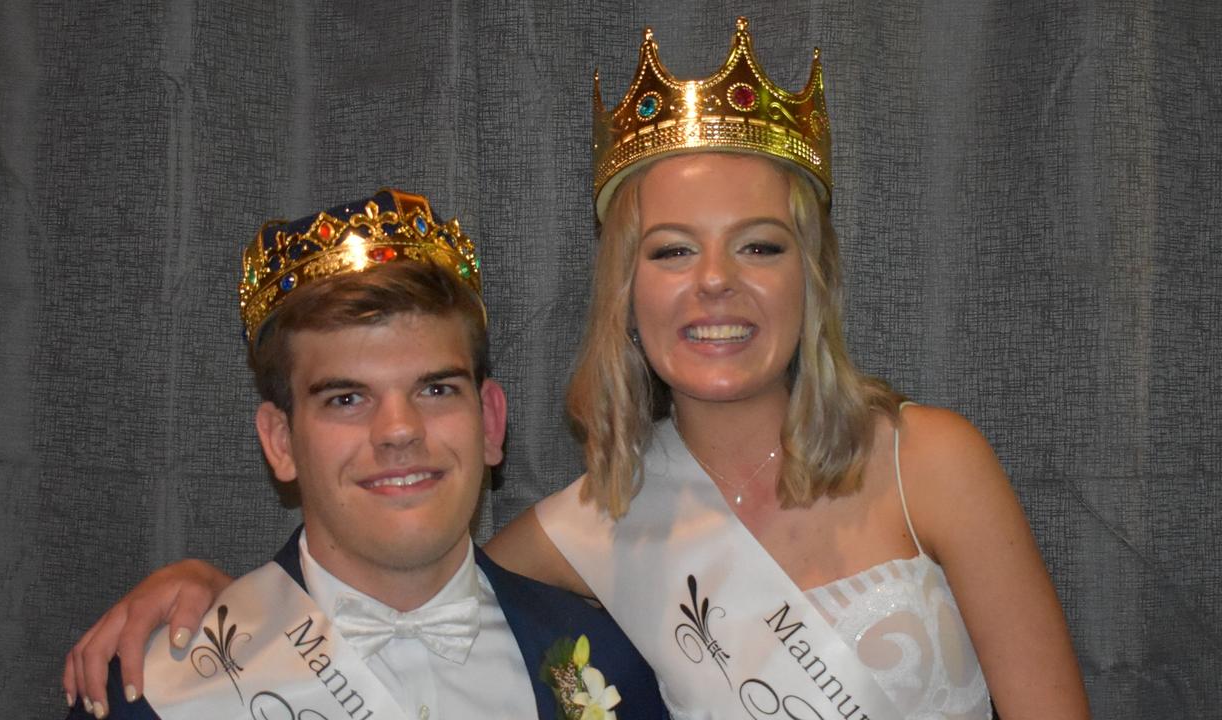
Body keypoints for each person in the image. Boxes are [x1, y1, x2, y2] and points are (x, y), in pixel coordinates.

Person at [65, 19, 1091, 719]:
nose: (716, 287)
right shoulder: (586, 527)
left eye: (761, 247)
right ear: (626, 291)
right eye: (672, 251)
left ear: (811, 278)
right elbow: (396, 552)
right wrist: (204, 585)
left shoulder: (932, 461)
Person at [62, 188, 668, 720]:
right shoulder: (161, 693)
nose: (399, 430)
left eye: (435, 389)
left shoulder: (613, 666)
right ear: (280, 442)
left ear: (489, 421)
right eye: (347, 398)